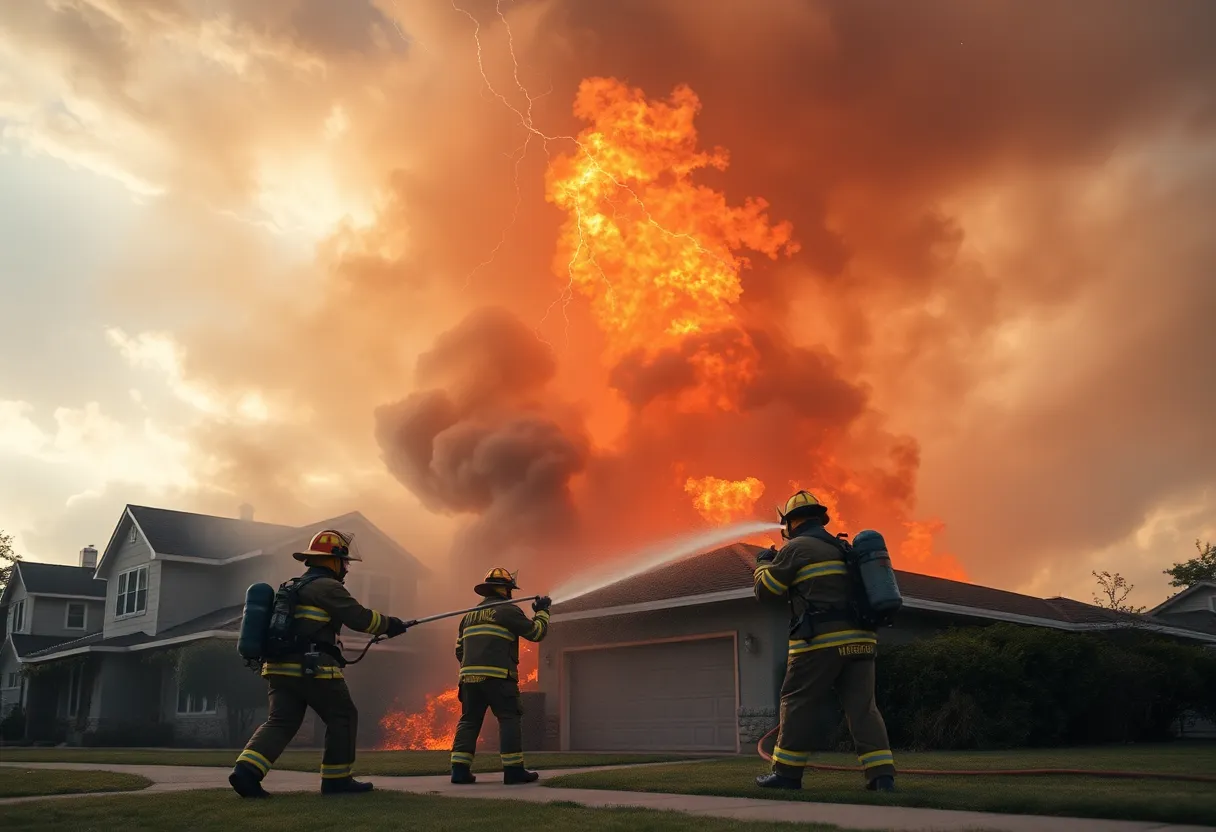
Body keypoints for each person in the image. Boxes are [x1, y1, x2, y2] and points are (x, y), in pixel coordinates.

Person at [228, 529, 410, 798]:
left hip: (279, 668)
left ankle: (246, 773)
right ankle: (337, 781)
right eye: (344, 561)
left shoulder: (294, 586)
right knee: (342, 716)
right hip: (312, 668)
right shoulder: (327, 587)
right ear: (332, 560)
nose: (346, 568)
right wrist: (390, 624)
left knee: (281, 721)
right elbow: (359, 618)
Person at [753, 490, 896, 792]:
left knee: (797, 701)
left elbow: (768, 590)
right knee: (863, 709)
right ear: (821, 519)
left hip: (820, 643)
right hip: (862, 643)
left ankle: (787, 775)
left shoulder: (797, 548)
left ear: (792, 523)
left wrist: (764, 563)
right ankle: (881, 777)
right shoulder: (842, 547)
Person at [449, 567, 551, 785]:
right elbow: (536, 633)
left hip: (468, 680)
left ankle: (459, 771)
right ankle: (513, 771)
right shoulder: (507, 611)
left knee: (469, 721)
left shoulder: (468, 617)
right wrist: (542, 612)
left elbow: (459, 650)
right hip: (498, 679)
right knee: (509, 718)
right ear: (505, 590)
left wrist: (474, 666)